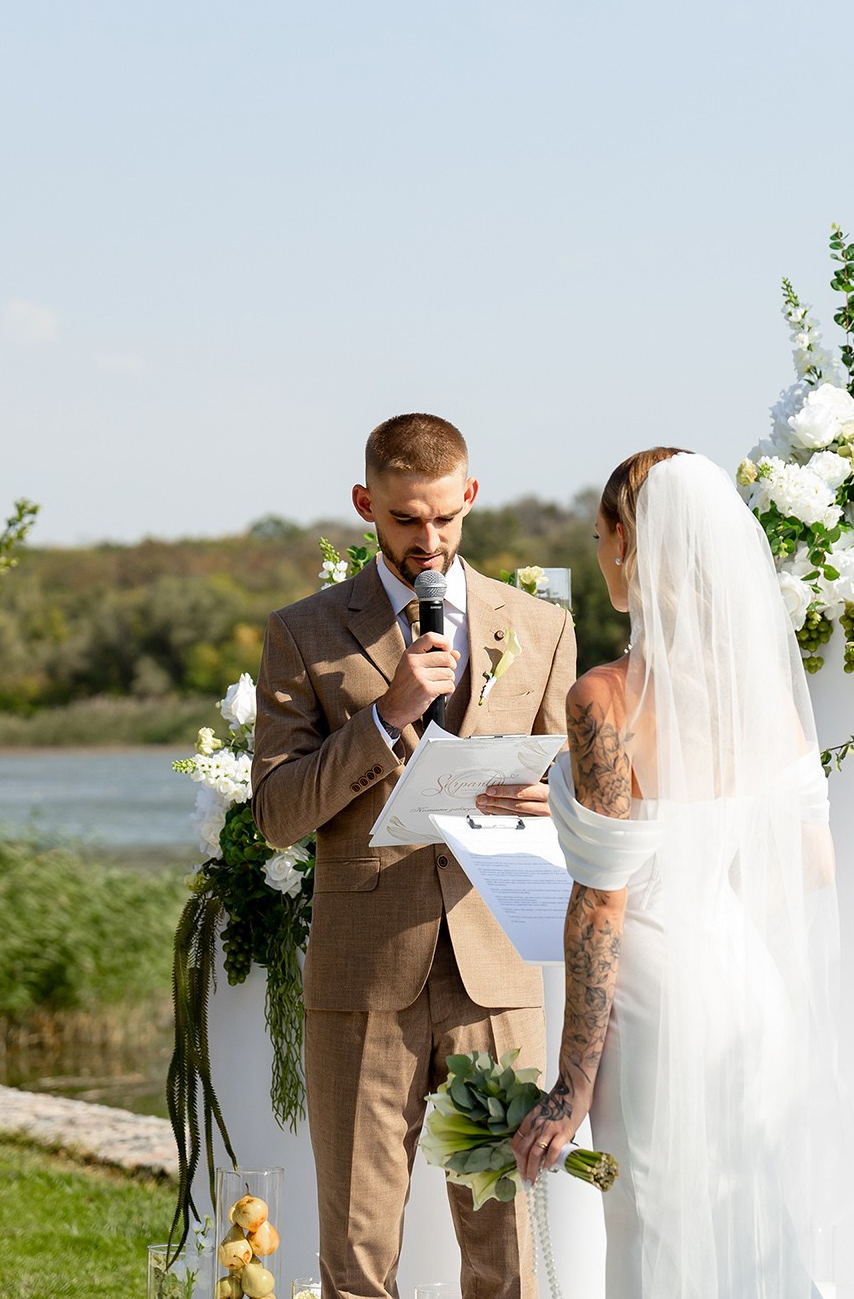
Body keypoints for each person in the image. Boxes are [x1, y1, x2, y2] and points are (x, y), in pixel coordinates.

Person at [511, 449, 854, 1297]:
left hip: (653, 998)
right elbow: (811, 864)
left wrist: (570, 1086)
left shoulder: (604, 699)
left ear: (626, 541)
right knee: (748, 1227)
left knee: (657, 1234)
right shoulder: (761, 695)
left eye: (600, 537)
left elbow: (602, 905)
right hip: (746, 986)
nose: (601, 556)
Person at [251, 413, 577, 1299]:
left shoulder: (542, 627)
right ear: (366, 504)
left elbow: (574, 792)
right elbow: (277, 813)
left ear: (470, 495)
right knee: (357, 1256)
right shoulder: (304, 632)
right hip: (363, 977)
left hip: (494, 970)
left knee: (505, 1254)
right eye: (404, 519)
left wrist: (554, 801)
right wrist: (387, 715)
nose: (427, 540)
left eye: (443, 516)